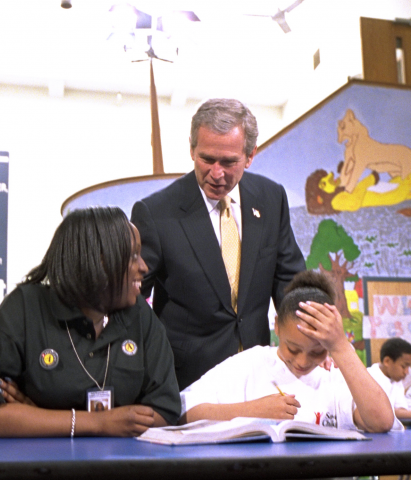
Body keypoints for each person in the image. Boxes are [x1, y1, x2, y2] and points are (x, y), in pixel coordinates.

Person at [0, 206, 181, 437]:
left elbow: (165, 411)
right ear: (99, 261)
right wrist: (98, 423)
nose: (144, 266)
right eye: (133, 255)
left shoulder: (140, 315)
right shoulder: (25, 308)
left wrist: (42, 417)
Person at [131, 98, 306, 389]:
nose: (216, 173)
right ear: (191, 149)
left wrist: (312, 341)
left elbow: (290, 282)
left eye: (228, 162)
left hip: (258, 378)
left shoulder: (271, 199)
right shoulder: (156, 213)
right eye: (207, 159)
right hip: (186, 382)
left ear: (250, 156)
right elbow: (132, 297)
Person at [180, 271, 399, 433]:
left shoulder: (337, 375)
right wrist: (250, 410)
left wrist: (340, 346)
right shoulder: (251, 363)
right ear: (276, 326)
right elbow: (183, 413)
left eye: (317, 352)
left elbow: (381, 421)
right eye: (292, 348)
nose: (302, 361)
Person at [366, 337, 411, 420]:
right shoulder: (368, 378)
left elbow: (401, 410)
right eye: (403, 366)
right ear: (387, 361)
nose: (406, 372)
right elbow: (380, 411)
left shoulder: (396, 380)